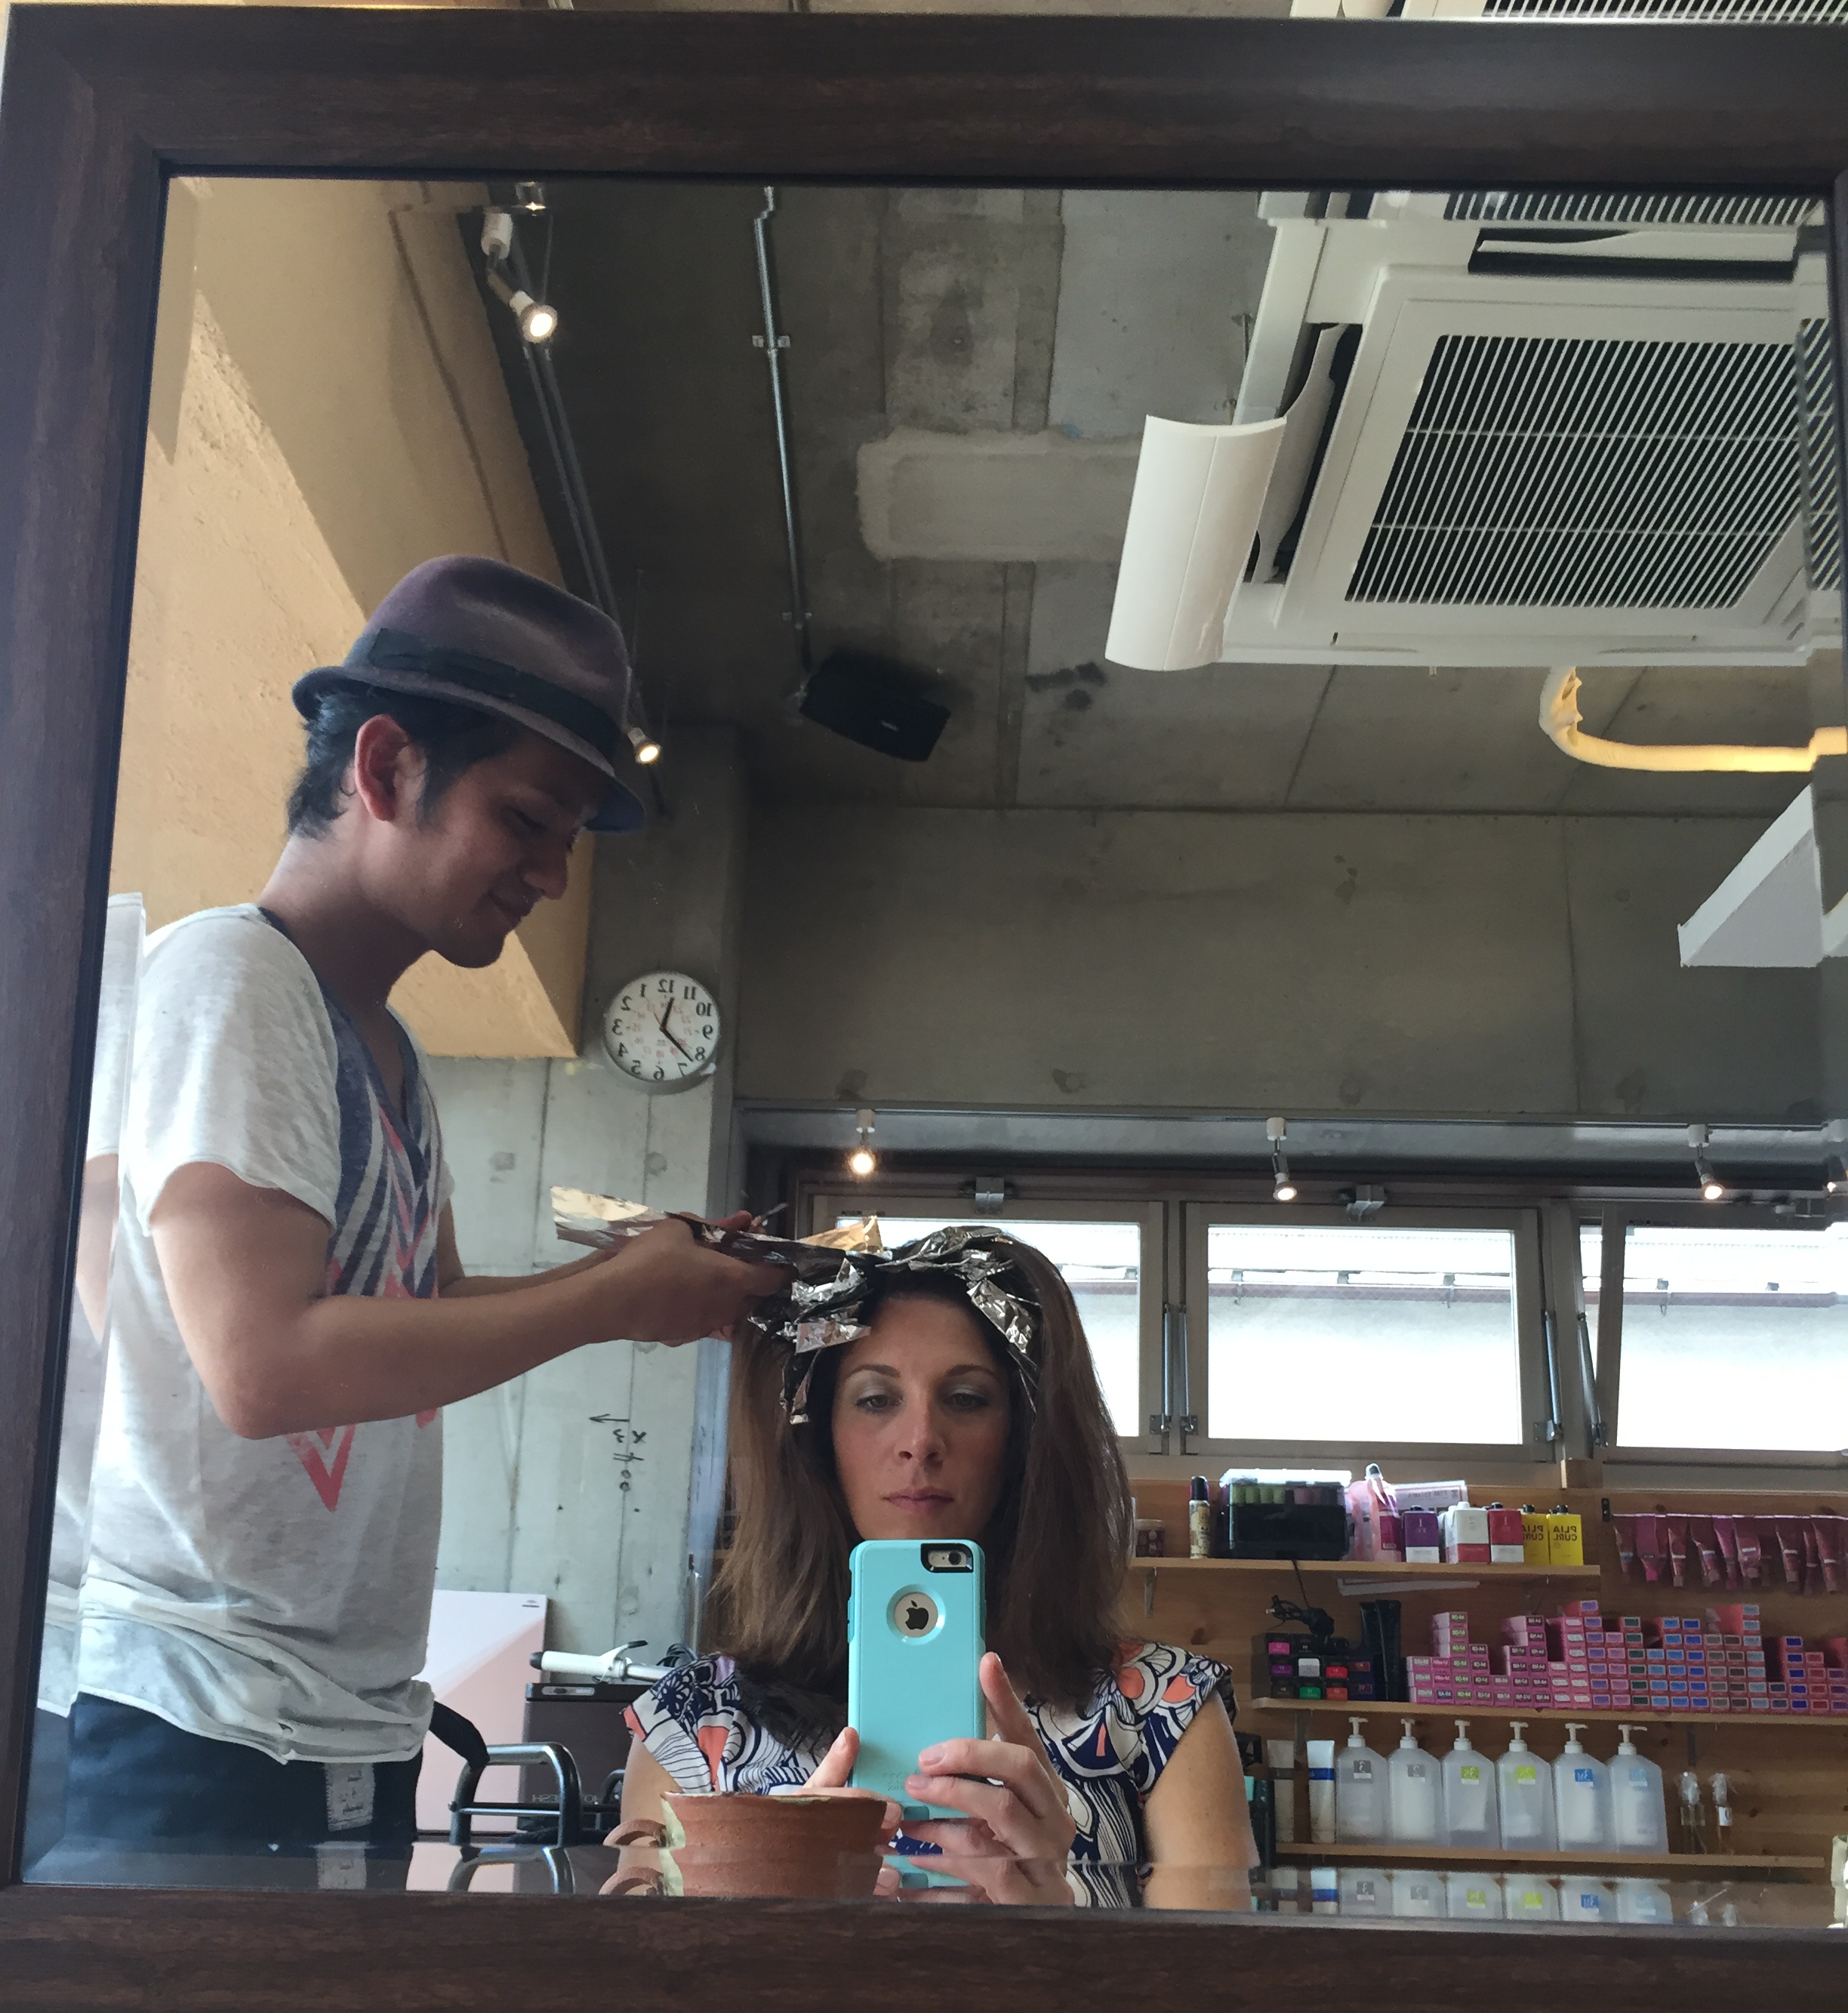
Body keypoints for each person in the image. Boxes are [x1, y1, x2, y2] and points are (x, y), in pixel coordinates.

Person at [57, 556, 787, 1863]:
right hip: (204, 1711)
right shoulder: (234, 976)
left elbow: (423, 1308)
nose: (551, 874)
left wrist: (641, 1285)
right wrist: (611, 1300)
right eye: (528, 819)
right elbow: (266, 1366)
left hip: (340, 1710)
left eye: (567, 836)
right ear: (386, 766)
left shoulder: (383, 1044)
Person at [616, 1228, 1258, 1906]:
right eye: (875, 1399)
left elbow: (1216, 1978)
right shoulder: (694, 1721)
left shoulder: (1161, 1709)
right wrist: (791, 1923)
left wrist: (1055, 1931)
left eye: (966, 1399)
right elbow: (639, 1971)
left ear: (1022, 1438)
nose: (920, 1441)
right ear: (821, 1437)